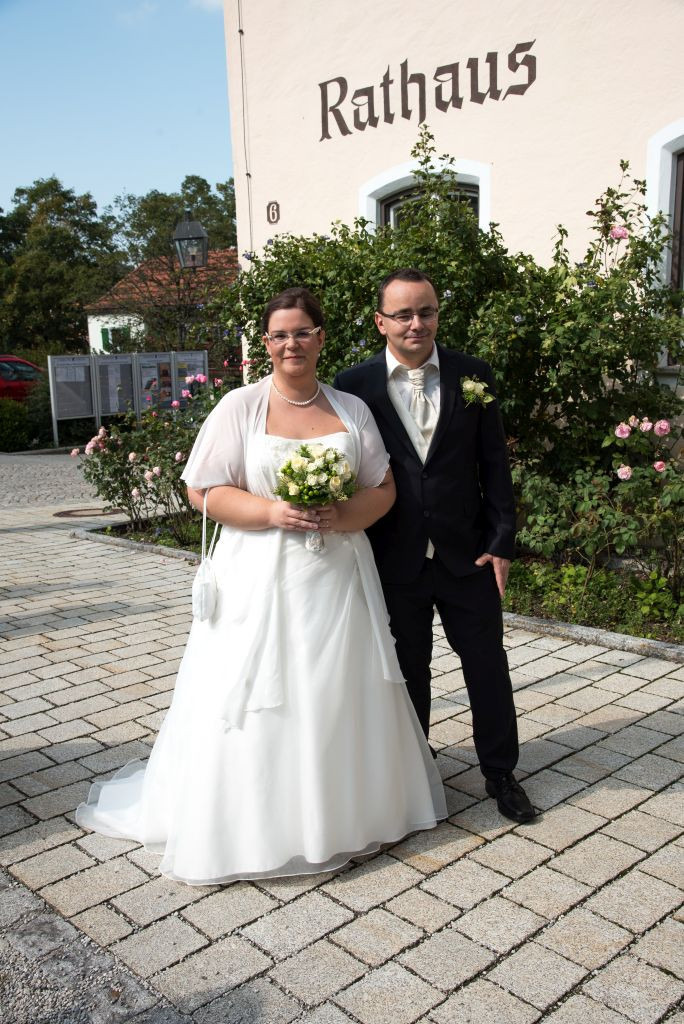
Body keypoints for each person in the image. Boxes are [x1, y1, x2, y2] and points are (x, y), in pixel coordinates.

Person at [76, 286, 446, 885]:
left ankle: (345, 814)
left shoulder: (352, 409)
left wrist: (341, 515)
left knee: (334, 686)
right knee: (258, 692)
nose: (291, 343)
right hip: (257, 575)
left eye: (302, 331)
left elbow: (382, 487)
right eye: (279, 335)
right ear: (266, 345)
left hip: (336, 574)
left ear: (320, 338)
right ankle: (255, 823)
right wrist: (273, 512)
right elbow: (203, 491)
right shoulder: (240, 408)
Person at [334, 269, 536, 824]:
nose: (416, 323)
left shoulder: (475, 376)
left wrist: (500, 542)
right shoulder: (353, 386)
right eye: (403, 314)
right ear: (382, 322)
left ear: (437, 314)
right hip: (394, 556)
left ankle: (500, 771)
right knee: (408, 669)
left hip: (467, 553)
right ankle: (416, 775)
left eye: (426, 311)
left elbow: (494, 465)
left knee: (487, 665)